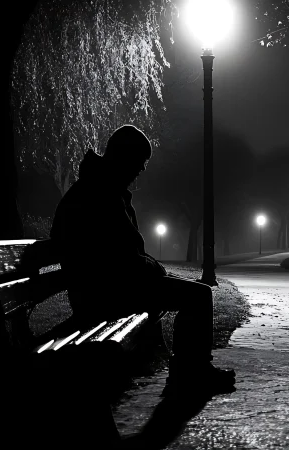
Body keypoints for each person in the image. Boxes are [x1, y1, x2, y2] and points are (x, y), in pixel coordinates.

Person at [50, 124, 235, 398]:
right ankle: (192, 373)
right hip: (105, 293)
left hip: (104, 286)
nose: (142, 169)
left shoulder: (102, 187)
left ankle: (191, 370)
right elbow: (121, 259)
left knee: (192, 292)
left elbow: (125, 252)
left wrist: (150, 267)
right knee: (199, 295)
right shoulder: (100, 193)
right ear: (124, 157)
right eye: (140, 161)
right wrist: (153, 268)